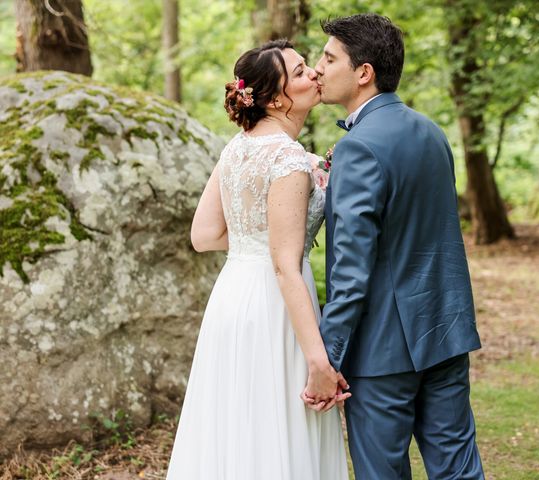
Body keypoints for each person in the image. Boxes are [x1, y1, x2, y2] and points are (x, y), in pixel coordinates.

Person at [310, 13, 485, 479]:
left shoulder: (357, 147)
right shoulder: (433, 133)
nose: (318, 69)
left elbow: (349, 269)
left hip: (383, 349)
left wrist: (328, 357)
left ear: (363, 72)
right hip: (445, 330)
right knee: (459, 469)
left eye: (329, 58)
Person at [166, 39, 349, 480]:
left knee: (238, 425)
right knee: (278, 423)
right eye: (302, 71)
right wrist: (319, 362)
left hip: (232, 297)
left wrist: (255, 240)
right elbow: (285, 265)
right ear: (274, 98)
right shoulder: (287, 158)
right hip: (276, 305)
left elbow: (204, 235)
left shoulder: (237, 148)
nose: (315, 75)